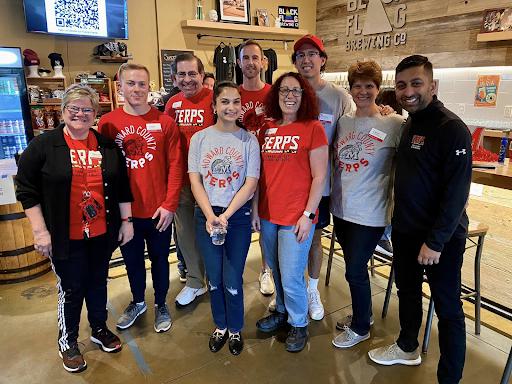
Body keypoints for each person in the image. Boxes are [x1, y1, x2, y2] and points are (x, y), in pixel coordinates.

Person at [368, 55, 472, 384]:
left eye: (416, 83)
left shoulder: (451, 128)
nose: (408, 91)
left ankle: (450, 378)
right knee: (408, 291)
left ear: (432, 85)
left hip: (440, 239)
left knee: (448, 309)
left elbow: (457, 194)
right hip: (407, 230)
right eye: (401, 85)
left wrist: (435, 241)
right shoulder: (410, 121)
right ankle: (407, 346)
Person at [16, 83, 134, 373]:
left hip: (101, 233)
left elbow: (121, 187)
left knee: (97, 282)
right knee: (71, 287)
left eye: (87, 109)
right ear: (63, 111)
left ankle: (98, 328)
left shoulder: (106, 145)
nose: (80, 114)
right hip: (64, 236)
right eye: (74, 109)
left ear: (96, 113)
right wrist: (40, 231)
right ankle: (67, 340)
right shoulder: (44, 145)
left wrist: (127, 222)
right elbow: (25, 189)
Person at [99, 63, 184, 333]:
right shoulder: (108, 123)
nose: (137, 89)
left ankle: (160, 303)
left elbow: (176, 167)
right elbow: (105, 170)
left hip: (158, 210)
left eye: (142, 84)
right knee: (132, 261)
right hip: (127, 213)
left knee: (160, 260)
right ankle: (138, 301)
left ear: (150, 87)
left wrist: (169, 205)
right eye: (131, 83)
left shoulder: (165, 122)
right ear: (120, 87)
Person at [329, 60, 404, 348]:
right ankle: (365, 316)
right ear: (350, 89)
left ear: (378, 88)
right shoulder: (344, 121)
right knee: (353, 266)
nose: (362, 91)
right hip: (342, 209)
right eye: (357, 86)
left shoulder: (394, 123)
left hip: (372, 213)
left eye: (369, 86)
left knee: (354, 270)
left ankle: (360, 327)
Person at [253, 72, 328, 352]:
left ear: (304, 96)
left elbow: (320, 177)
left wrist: (309, 215)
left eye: (295, 91)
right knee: (276, 270)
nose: (289, 95)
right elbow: (260, 174)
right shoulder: (267, 128)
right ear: (276, 95)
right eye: (284, 90)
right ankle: (282, 312)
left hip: (297, 217)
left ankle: (299, 324)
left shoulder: (312, 128)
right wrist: (254, 210)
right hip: (268, 214)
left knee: (293, 274)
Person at [189, 81, 260, 355]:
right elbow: (195, 181)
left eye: (236, 102)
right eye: (225, 102)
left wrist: (226, 215)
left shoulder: (248, 140)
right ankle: (220, 325)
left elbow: (250, 182)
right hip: (205, 214)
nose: (231, 107)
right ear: (214, 106)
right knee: (215, 279)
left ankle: (235, 329)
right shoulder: (200, 139)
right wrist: (210, 215)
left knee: (232, 278)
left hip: (237, 217)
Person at [292, 34, 354, 321]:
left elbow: (352, 134)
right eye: (301, 55)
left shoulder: (339, 98)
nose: (306, 59)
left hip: (323, 186)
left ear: (323, 59)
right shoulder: (289, 93)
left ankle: (311, 289)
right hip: (290, 185)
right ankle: (289, 291)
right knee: (288, 240)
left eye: (312, 54)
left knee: (314, 239)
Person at [165, 53, 215, 307]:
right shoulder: (172, 104)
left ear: (202, 75)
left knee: (212, 230)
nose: (187, 79)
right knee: (185, 233)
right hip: (181, 180)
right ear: (174, 78)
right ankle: (195, 281)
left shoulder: (214, 101)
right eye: (181, 74)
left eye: (192, 74)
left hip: (211, 182)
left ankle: (217, 278)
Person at [237, 39, 275, 297]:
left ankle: (266, 270)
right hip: (239, 168)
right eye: (245, 58)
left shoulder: (274, 94)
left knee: (265, 222)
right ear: (238, 63)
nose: (251, 63)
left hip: (271, 165)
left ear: (264, 62)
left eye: (255, 57)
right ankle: (233, 270)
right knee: (238, 222)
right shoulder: (231, 94)